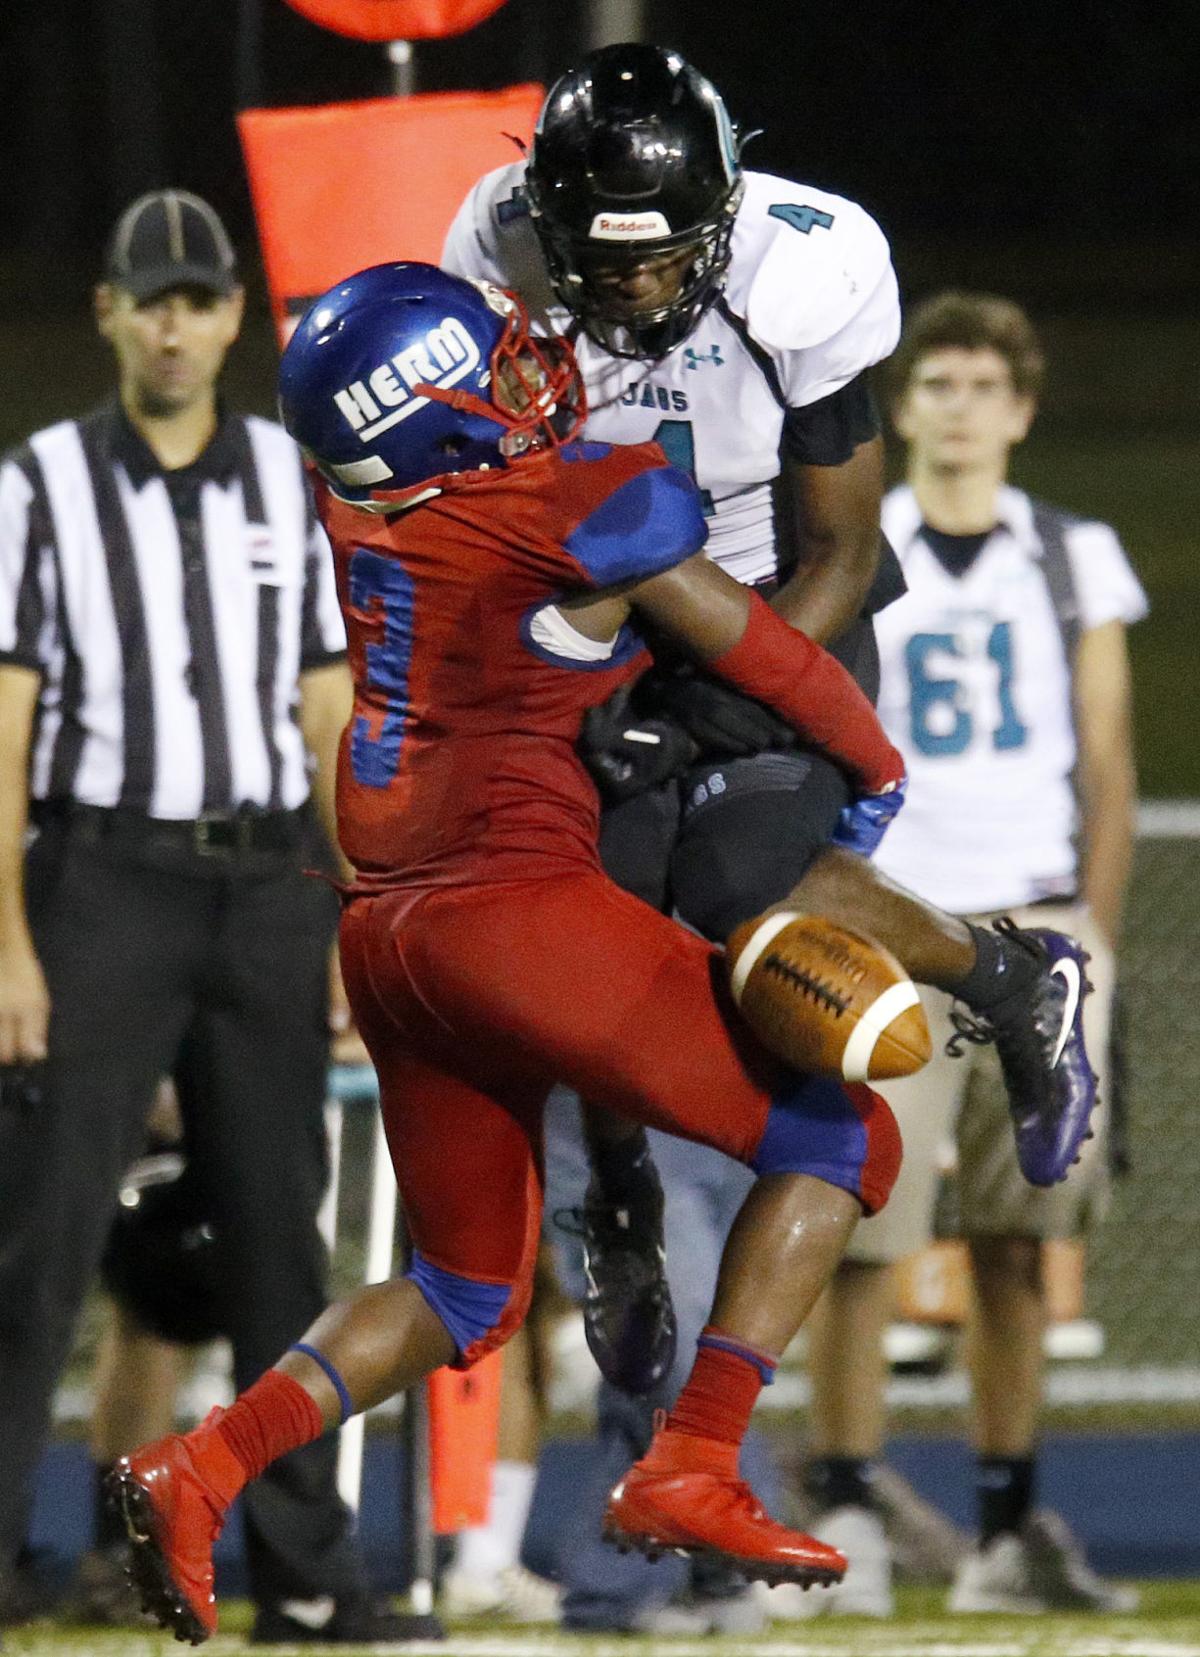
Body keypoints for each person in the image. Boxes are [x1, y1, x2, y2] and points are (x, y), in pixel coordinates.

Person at [106, 258, 918, 1646]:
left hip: (387, 929)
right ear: (432, 401)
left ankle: (202, 1466)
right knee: (850, 1145)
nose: (521, 363)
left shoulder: (354, 498)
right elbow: (769, 655)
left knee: (464, 1287)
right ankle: (695, 1458)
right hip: (514, 910)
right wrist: (872, 762)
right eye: (484, 356)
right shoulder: (580, 503)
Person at [442, 43, 1098, 1628]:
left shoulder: (810, 271)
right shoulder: (497, 246)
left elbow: (846, 542)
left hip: (774, 607)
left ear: (722, 220)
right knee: (569, 949)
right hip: (596, 631)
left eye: (663, 252)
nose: (636, 285)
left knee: (743, 895)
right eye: (606, 256)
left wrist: (702, 698)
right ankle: (614, 1204)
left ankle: (1007, 977)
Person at [0, 190, 405, 1645]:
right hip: (102, 877)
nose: (173, 323)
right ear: (109, 311)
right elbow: (9, 713)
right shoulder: (38, 484)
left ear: (237, 316)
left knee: (278, 1242)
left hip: (266, 887)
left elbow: (324, 701)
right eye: (147, 297)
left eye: (197, 298)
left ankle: (304, 1573)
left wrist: (359, 903)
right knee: (39, 1239)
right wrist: (9, 937)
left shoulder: (289, 481)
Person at [796, 292, 1146, 1616]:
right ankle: (845, 1508)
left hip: (1038, 925)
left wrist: (1090, 928)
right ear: (905, 405)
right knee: (857, 1230)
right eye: (934, 382)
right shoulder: (852, 547)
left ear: (1019, 408)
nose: (956, 405)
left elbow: (1107, 763)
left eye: (980, 384)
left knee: (1021, 1241)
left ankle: (1006, 1526)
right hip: (889, 924)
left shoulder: (1070, 555)